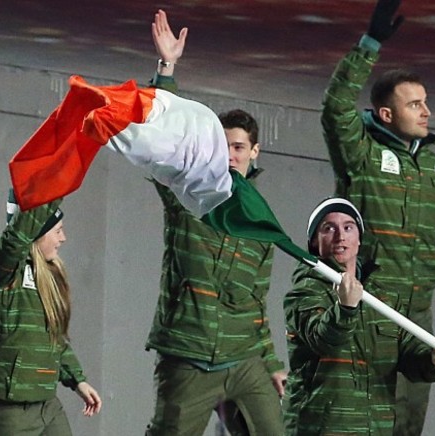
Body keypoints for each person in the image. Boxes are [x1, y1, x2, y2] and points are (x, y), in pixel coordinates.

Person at [320, 0, 435, 433]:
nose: (426, 111)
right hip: (369, 309)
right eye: (414, 104)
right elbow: (336, 106)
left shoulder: (432, 169)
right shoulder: (361, 154)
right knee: (360, 421)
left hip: (418, 319)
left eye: (425, 102)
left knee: (408, 423)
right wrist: (370, 43)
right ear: (386, 114)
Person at [144, 10, 285, 436]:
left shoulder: (260, 218)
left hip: (244, 359)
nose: (230, 155)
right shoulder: (187, 193)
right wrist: (166, 69)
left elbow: (256, 302)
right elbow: (159, 141)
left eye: (239, 147)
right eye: (222, 146)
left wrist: (272, 361)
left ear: (254, 151)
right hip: (188, 354)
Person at [283, 197, 435, 435]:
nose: (340, 236)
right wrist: (346, 308)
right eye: (328, 228)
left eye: (348, 227)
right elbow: (324, 341)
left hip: (375, 428)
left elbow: (406, 353)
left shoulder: (383, 297)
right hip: (321, 429)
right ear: (315, 241)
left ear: (359, 240)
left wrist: (434, 360)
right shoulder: (304, 291)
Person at [0, 191, 101, 436]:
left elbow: (53, 337)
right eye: (57, 230)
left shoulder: (46, 274)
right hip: (8, 410)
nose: (64, 238)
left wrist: (77, 379)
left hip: (45, 404)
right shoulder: (0, 271)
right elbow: (16, 238)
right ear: (37, 232)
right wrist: (53, 189)